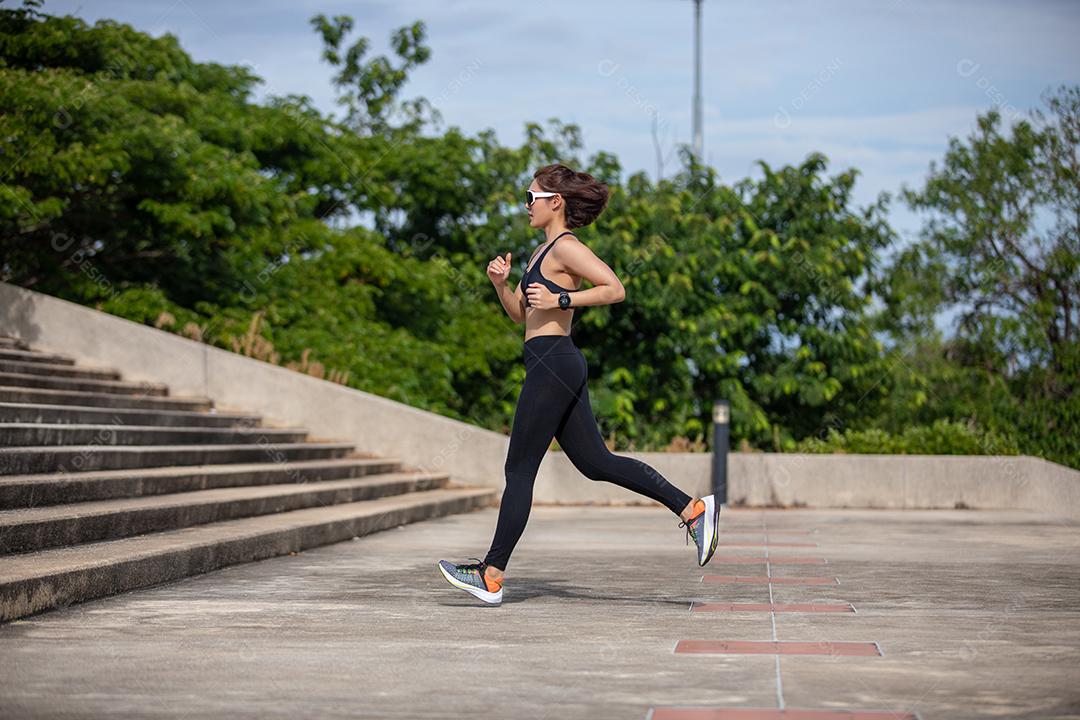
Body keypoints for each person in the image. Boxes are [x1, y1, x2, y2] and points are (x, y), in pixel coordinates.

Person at [437, 163, 721, 605]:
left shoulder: (567, 247)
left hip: (554, 362)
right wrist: (500, 285)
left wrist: (563, 298)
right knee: (596, 462)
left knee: (519, 470)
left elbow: (614, 288)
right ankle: (693, 509)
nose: (525, 205)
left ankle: (491, 575)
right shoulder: (540, 251)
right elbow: (521, 316)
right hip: (550, 361)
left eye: (530, 197)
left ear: (556, 202)